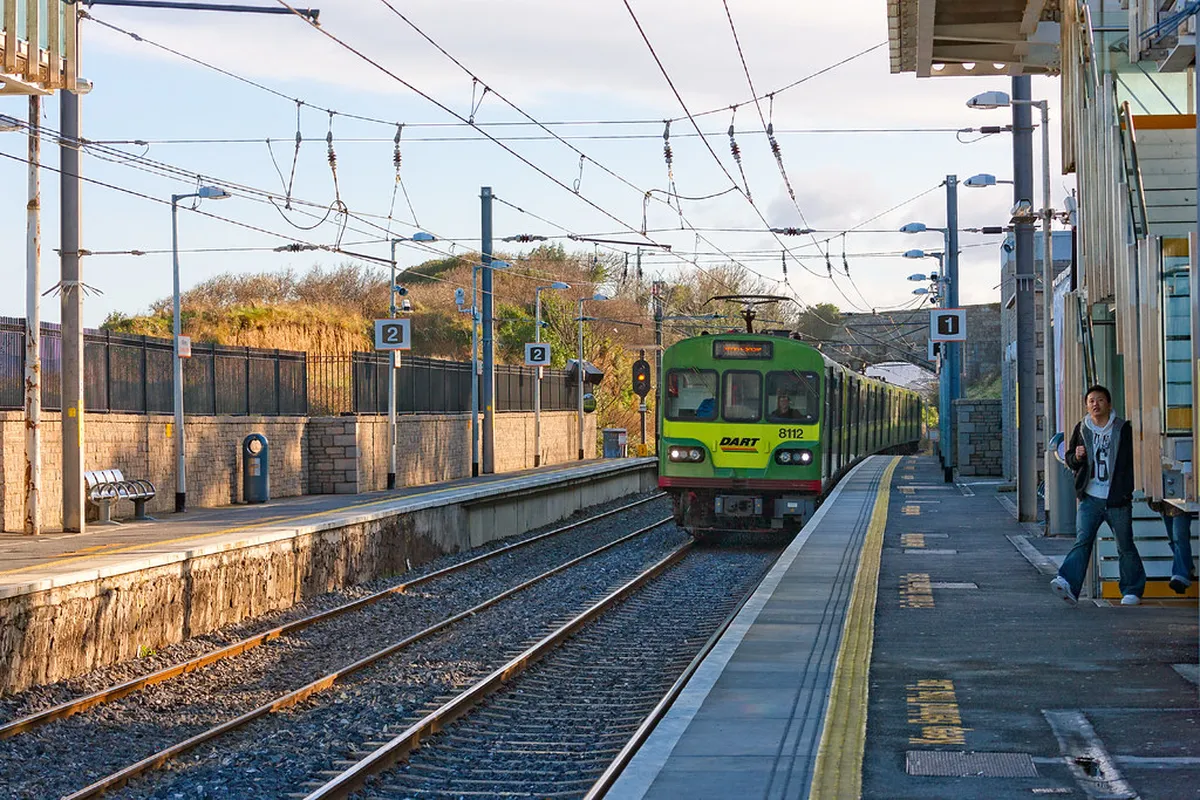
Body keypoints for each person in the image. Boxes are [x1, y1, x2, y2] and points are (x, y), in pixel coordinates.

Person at [1050, 385, 1146, 607]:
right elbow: (1070, 459)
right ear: (1086, 405)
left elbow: (1132, 461)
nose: (1095, 404)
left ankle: (1132, 589)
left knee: (1124, 544)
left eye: (1100, 400)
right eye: (1091, 400)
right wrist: (1077, 456)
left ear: (1109, 404)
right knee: (1082, 541)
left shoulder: (1123, 429)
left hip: (1116, 499)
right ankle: (1067, 583)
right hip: (1090, 496)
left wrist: (1126, 489)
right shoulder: (1082, 428)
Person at [1148, 496, 1196, 594]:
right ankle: (1187, 567)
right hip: (1165, 502)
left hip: (1180, 501)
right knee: (1175, 539)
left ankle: (1181, 575)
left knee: (1179, 538)